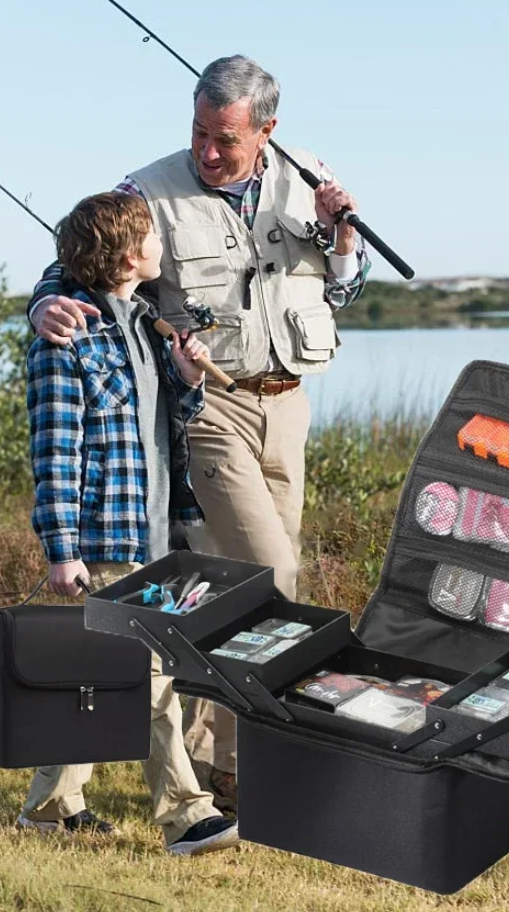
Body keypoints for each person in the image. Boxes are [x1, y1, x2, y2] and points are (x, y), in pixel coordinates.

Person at [27, 55, 370, 812]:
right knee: (273, 580)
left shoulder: (310, 177)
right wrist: (41, 306)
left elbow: (345, 284)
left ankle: (219, 760)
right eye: (198, 131)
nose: (207, 151)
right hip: (209, 410)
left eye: (225, 139)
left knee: (253, 595)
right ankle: (239, 779)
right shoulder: (146, 189)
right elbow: (82, 254)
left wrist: (343, 236)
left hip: (291, 407)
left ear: (266, 131)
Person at [19, 191, 238, 856]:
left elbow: (163, 426)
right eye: (152, 236)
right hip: (105, 540)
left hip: (154, 534)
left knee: (106, 676)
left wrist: (187, 380)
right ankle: (185, 816)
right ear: (127, 254)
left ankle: (53, 806)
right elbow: (54, 449)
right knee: (152, 679)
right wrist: (62, 550)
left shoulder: (144, 324)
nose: (162, 245)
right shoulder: (66, 339)